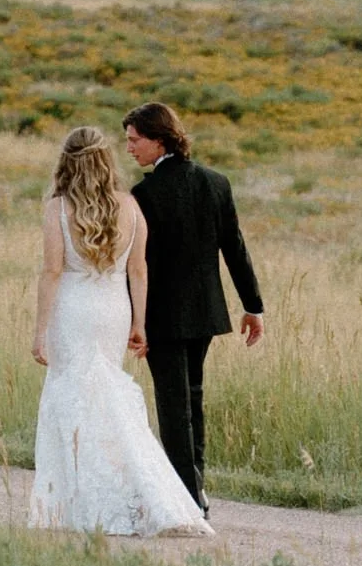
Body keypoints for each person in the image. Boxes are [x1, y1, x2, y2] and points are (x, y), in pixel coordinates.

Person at [29, 124, 211, 536]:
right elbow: (138, 270)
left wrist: (40, 331)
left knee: (74, 398)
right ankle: (140, 495)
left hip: (74, 309)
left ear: (67, 163)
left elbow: (52, 271)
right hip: (113, 308)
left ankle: (82, 502)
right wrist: (138, 323)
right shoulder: (129, 206)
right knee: (107, 395)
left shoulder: (58, 209)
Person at [124, 100, 264, 516]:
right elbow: (235, 249)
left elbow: (137, 266)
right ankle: (195, 487)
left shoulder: (144, 194)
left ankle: (186, 497)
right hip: (206, 312)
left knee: (173, 406)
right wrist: (253, 306)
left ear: (159, 139)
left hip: (162, 316)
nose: (129, 148)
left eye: (135, 141)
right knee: (193, 400)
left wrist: (134, 321)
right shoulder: (216, 183)